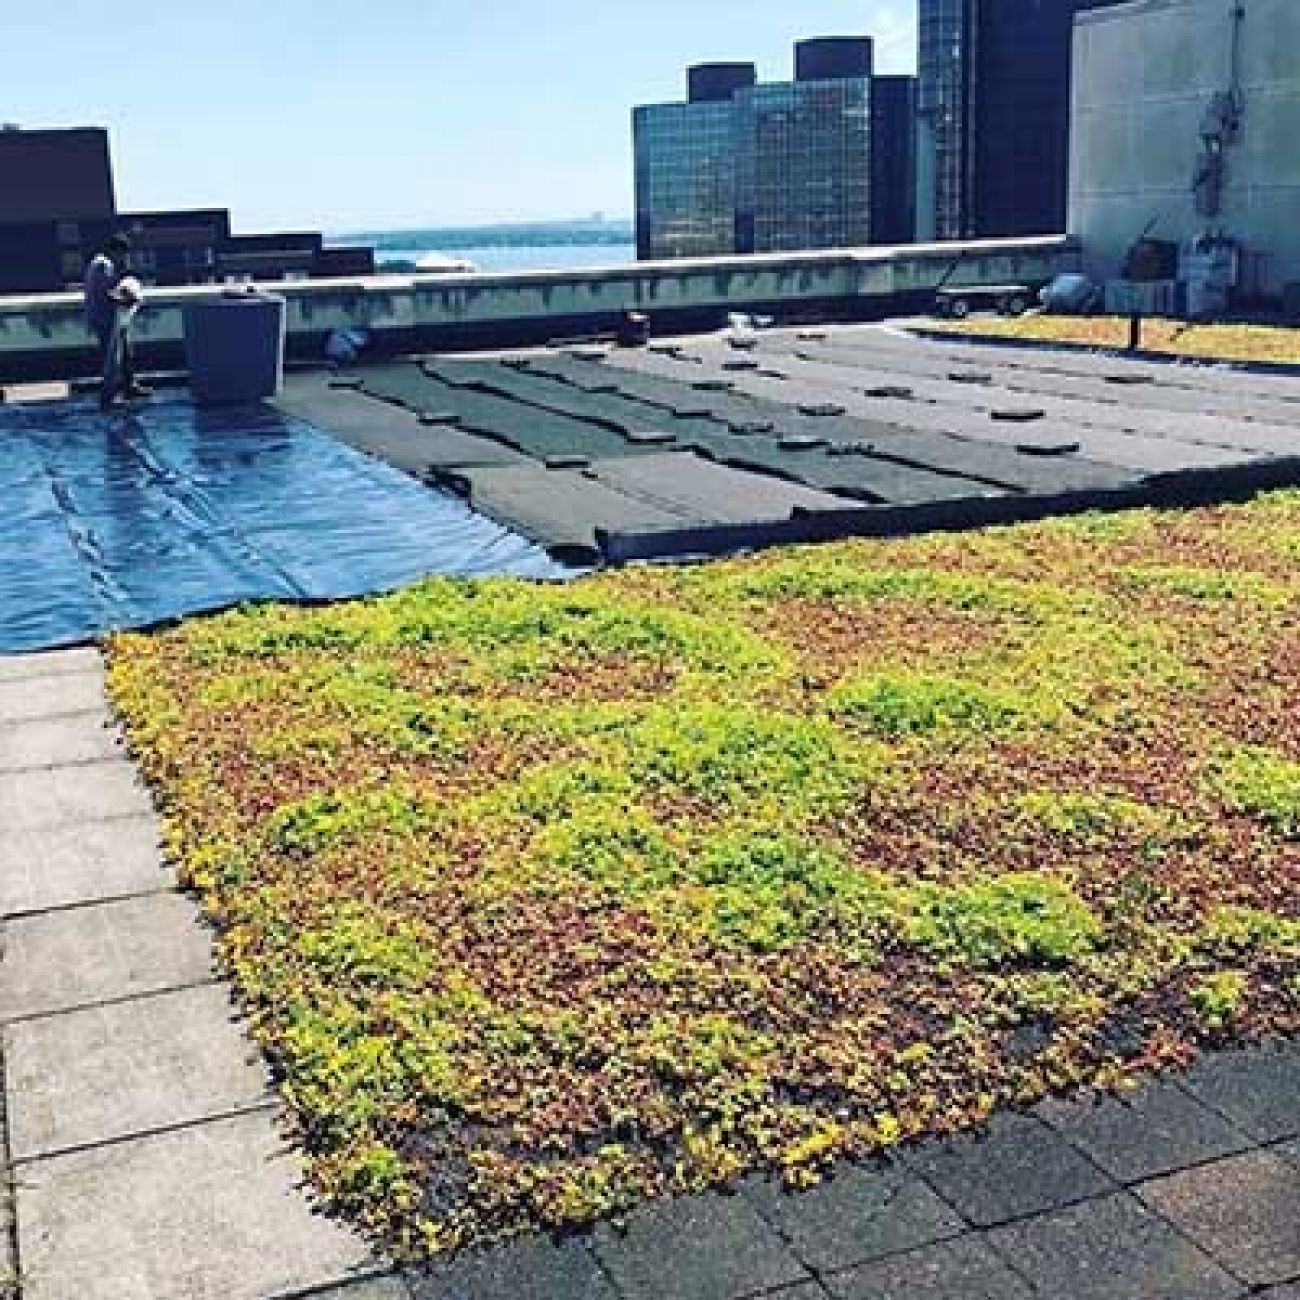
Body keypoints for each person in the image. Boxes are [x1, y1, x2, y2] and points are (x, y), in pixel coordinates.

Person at [84, 234, 151, 411]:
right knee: (111, 358)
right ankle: (109, 396)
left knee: (126, 351)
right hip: (105, 318)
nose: (124, 259)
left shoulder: (102, 264)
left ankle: (129, 386)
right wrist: (129, 300)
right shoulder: (103, 265)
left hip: (111, 317)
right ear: (116, 251)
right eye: (123, 254)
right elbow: (107, 293)